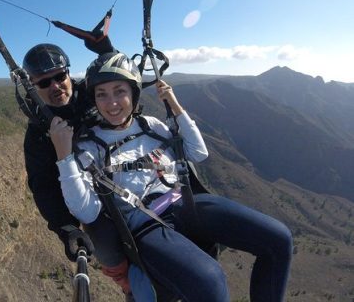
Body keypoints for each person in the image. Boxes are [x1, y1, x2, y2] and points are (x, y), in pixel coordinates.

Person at [49, 52, 293, 301]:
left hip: (185, 201)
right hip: (147, 224)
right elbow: (87, 212)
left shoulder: (150, 125)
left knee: (279, 240)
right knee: (210, 281)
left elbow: (197, 152)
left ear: (133, 93)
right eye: (102, 94)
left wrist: (175, 106)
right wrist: (64, 156)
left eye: (119, 91)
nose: (111, 102)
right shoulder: (90, 147)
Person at [21, 44, 134, 297]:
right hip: (90, 197)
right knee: (106, 246)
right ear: (33, 86)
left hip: (129, 173)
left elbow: (124, 86)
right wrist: (66, 228)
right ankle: (128, 285)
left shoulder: (92, 93)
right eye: (44, 82)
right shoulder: (39, 132)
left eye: (60, 76)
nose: (55, 86)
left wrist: (108, 48)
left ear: (69, 73)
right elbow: (44, 186)